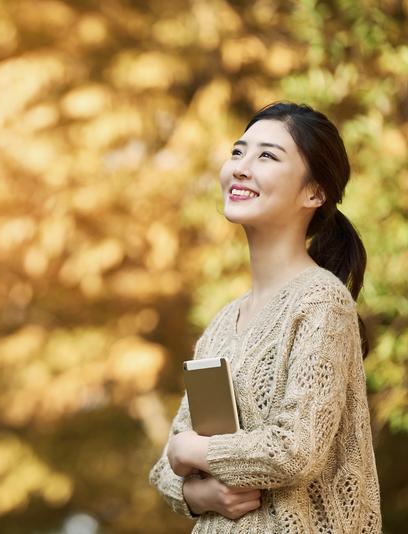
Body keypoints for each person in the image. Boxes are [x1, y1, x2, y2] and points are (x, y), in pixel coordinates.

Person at [148, 102, 382, 533]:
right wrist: (197, 495)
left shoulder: (321, 301)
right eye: (238, 152)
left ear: (314, 192)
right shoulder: (222, 323)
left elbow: (296, 449)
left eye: (267, 156)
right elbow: (167, 464)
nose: (241, 167)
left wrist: (193, 453)